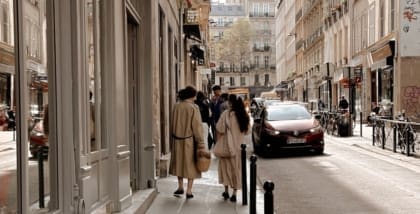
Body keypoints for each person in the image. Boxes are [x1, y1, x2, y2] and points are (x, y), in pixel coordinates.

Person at [169, 86, 206, 199]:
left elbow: (171, 124)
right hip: (189, 141)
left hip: (176, 140)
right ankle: (189, 190)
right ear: (192, 95)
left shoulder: (176, 106)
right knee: (191, 165)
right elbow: (197, 127)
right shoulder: (193, 108)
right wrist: (201, 142)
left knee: (178, 163)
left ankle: (180, 186)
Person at [216, 94, 250, 202]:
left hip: (227, 146)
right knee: (236, 169)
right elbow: (247, 131)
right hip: (239, 148)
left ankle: (226, 191)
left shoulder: (226, 114)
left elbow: (219, 128)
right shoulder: (243, 115)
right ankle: (235, 193)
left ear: (230, 103)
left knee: (225, 168)